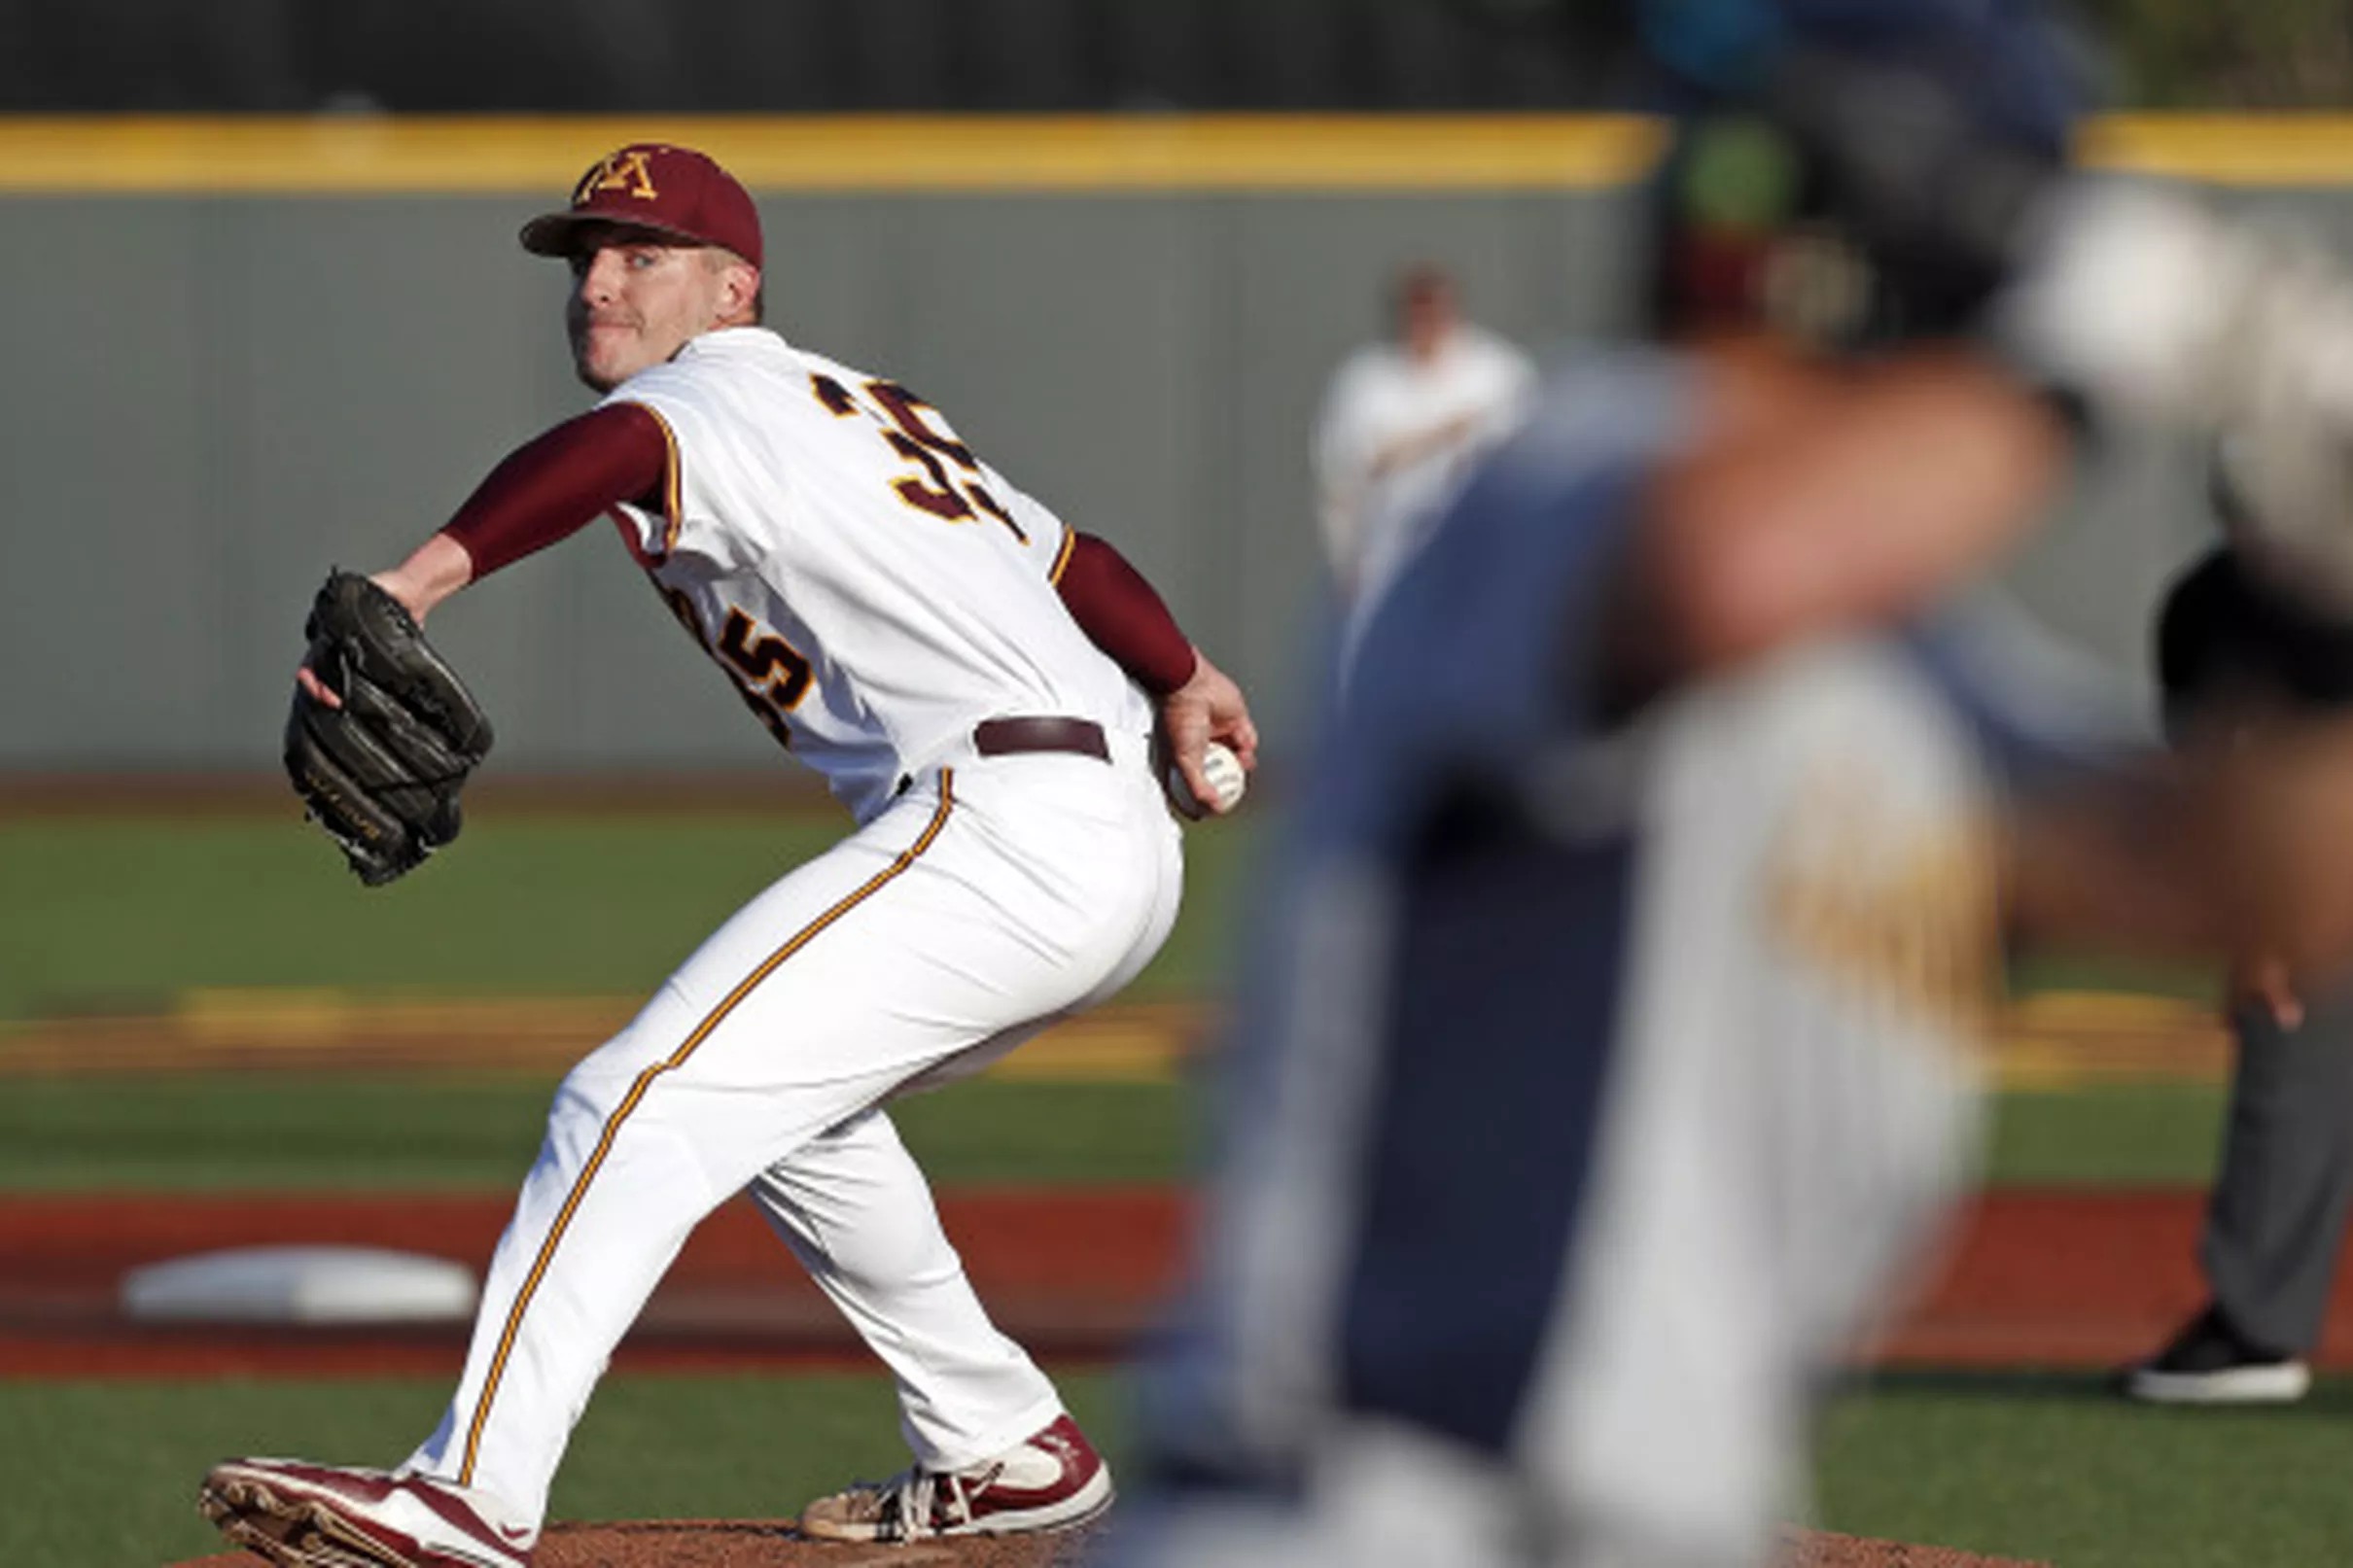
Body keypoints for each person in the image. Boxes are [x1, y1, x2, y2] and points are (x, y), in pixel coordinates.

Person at [1104, 6, 2353, 1566]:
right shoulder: (1572, 465)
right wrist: (2081, 353)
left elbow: (2241, 880)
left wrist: (2322, 590)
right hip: (1373, 1510)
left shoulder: (1916, 665)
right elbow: (1728, 568)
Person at [196, 140, 1258, 1568]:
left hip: (1000, 824)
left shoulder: (713, 393)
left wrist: (420, 576)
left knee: (625, 1097)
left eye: (642, 255)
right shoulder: (859, 406)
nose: (598, 283)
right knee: (787, 1111)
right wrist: (1185, 671)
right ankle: (1002, 1443)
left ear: (732, 284)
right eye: (585, 257)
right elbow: (1077, 563)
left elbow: (617, 451)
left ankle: (466, 1497)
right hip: (1097, 825)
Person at [2123, 454, 2353, 1406]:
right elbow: (2216, 775)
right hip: (2311, 871)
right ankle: (2254, 1324)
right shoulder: (2205, 608)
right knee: (2287, 1040)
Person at [1311, 264, 1536, 610]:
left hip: (1478, 559)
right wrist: (1345, 562)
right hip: (1389, 560)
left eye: (1435, 309)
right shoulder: (1368, 380)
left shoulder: (1496, 372)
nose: (1426, 321)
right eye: (1417, 309)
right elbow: (1345, 476)